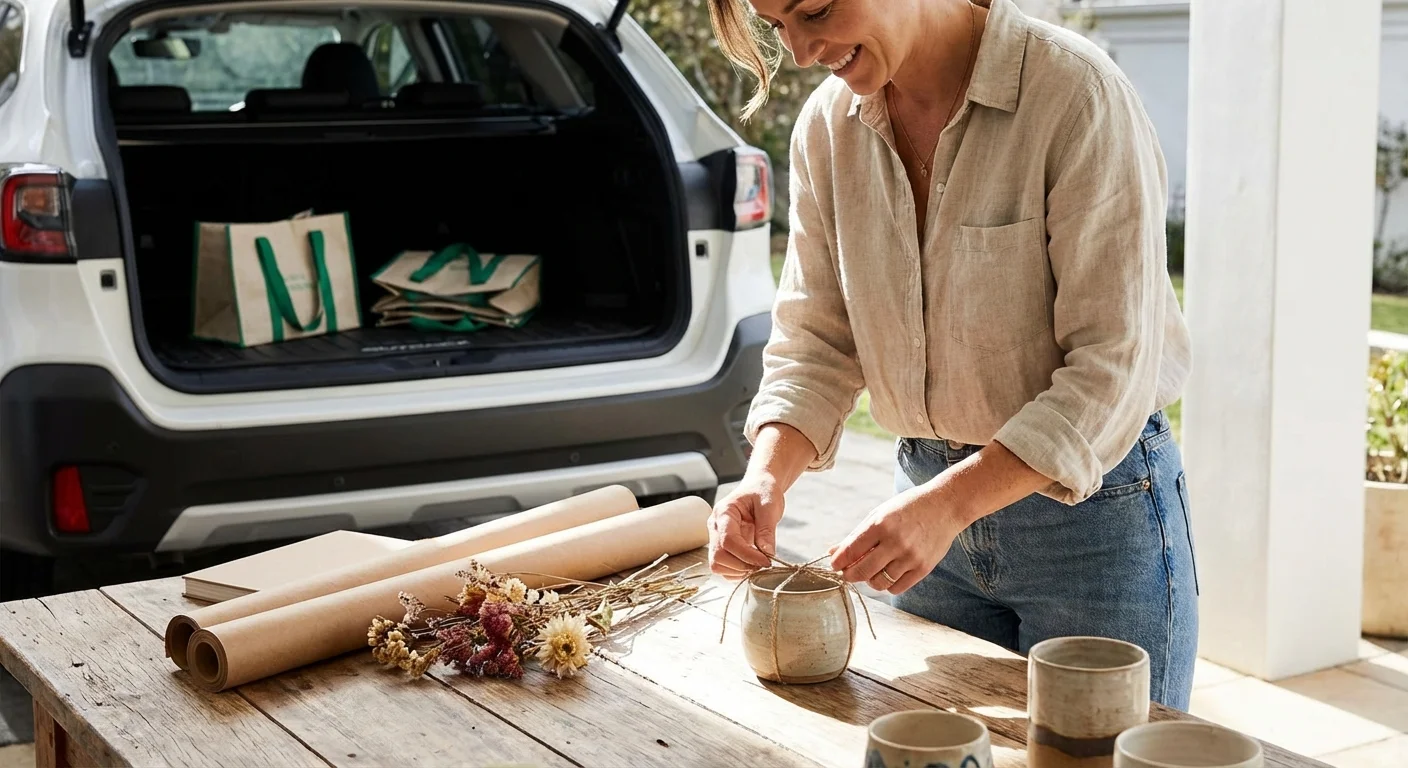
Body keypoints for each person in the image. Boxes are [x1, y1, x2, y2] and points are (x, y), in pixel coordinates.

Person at [703, 0, 1198, 709]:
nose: (803, 51)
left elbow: (1111, 365)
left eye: (814, 10)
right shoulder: (826, 129)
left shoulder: (1074, 94)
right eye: (777, 27)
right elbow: (817, 338)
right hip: (925, 520)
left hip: (1094, 525)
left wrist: (949, 505)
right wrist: (766, 477)